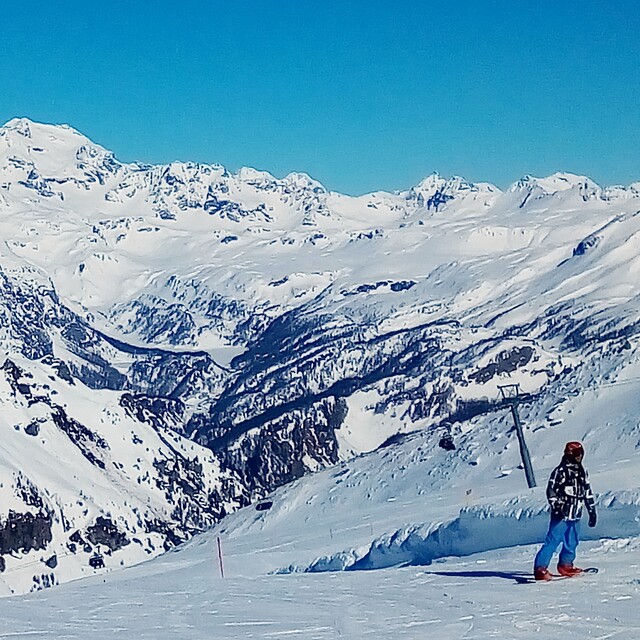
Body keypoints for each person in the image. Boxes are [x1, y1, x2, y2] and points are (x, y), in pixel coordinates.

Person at [533, 441, 597, 580]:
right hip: (561, 513)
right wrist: (556, 506)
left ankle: (566, 564)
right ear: (569, 454)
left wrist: (591, 509)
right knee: (553, 540)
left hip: (576, 513)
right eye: (576, 454)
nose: (579, 457)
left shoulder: (581, 471)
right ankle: (540, 568)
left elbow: (587, 491)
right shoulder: (560, 471)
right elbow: (551, 490)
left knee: (572, 540)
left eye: (581, 454)